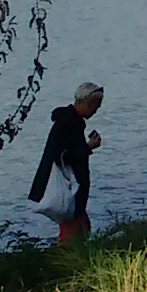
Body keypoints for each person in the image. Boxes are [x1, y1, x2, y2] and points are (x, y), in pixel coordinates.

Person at [27, 82, 103, 244]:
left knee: (80, 226)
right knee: (73, 228)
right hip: (70, 187)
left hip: (72, 186)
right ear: (89, 103)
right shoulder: (68, 122)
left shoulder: (69, 120)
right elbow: (61, 156)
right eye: (96, 106)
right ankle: (65, 258)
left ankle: (69, 256)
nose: (97, 110)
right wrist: (88, 147)